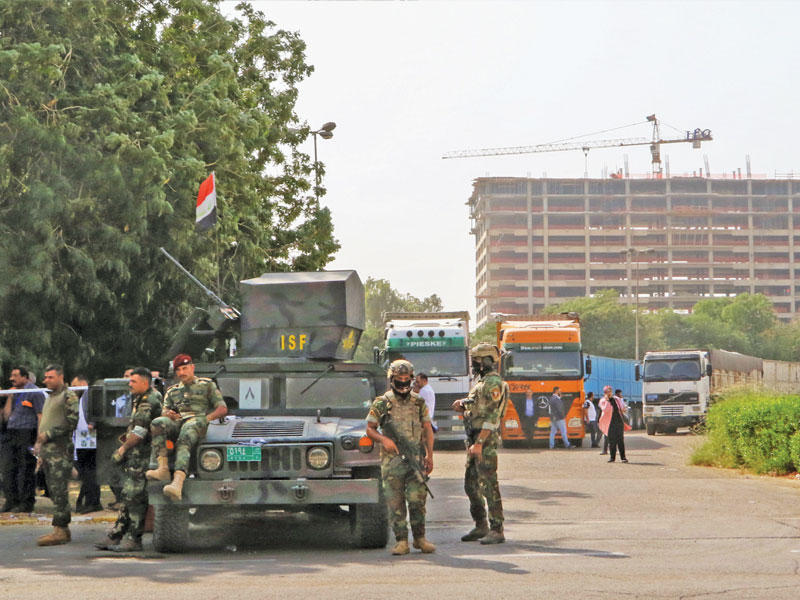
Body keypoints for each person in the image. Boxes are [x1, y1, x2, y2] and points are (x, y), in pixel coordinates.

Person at [366, 359, 435, 555]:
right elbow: (370, 429)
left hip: (415, 459)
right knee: (395, 503)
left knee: (417, 500)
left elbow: (427, 429)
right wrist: (384, 440)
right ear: (392, 379)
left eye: (407, 380)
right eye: (399, 379)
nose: (403, 384)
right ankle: (401, 541)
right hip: (392, 461)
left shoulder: (419, 402)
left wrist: (430, 456)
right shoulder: (382, 402)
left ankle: (420, 539)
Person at [96, 367, 162, 552]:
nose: (129, 384)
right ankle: (116, 535)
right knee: (128, 496)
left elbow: (140, 432)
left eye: (133, 381)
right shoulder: (140, 399)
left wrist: (123, 449)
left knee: (136, 498)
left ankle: (134, 539)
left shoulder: (149, 400)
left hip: (142, 457)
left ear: (145, 382)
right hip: (136, 457)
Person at [145, 354, 227, 500]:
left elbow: (222, 409)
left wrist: (206, 418)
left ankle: (178, 481)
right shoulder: (172, 390)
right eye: (179, 370)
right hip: (179, 421)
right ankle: (162, 468)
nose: (182, 373)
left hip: (199, 422)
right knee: (157, 423)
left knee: (186, 431)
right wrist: (168, 414)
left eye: (185, 368)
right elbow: (164, 410)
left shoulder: (207, 384)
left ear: (192, 367)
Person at [452, 343, 509, 545]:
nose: (474, 364)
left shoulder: (494, 384)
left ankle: (496, 528)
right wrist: (464, 405)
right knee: (471, 485)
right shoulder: (482, 382)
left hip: (485, 440)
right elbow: (477, 406)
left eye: (476, 360)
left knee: (488, 484)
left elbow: (492, 417)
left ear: (486, 361)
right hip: (475, 438)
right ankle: (481, 525)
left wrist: (480, 443)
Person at [34, 365, 79, 546]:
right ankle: (62, 530)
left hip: (60, 452)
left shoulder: (68, 396)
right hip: (48, 451)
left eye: (50, 377)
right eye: (45, 377)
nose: (46, 380)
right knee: (53, 490)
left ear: (61, 377)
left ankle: (60, 530)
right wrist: (40, 445)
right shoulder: (50, 397)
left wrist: (49, 435)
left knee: (59, 491)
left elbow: (72, 422)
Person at [1, 367, 45, 513]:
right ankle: (11, 501)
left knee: (25, 468)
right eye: (11, 375)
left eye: (15, 375)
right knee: (8, 468)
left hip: (27, 433)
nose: (11, 378)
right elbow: (7, 417)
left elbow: (40, 415)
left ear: (25, 377)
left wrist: (39, 439)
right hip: (11, 433)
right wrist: (10, 397)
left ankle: (26, 502)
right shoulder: (13, 392)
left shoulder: (34, 392)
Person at [71, 375, 102, 514]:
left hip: (88, 437)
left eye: (74, 385)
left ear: (82, 383)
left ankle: (92, 501)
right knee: (86, 471)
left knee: (89, 471)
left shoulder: (90, 394)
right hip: (82, 437)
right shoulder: (81, 397)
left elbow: (97, 410)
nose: (73, 389)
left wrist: (93, 424)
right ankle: (91, 500)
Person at [599, 385, 631, 463]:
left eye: (610, 391)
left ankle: (623, 457)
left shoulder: (617, 399)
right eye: (607, 391)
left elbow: (623, 408)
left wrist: (624, 407)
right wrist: (607, 400)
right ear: (605, 393)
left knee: (620, 440)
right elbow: (605, 410)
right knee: (612, 441)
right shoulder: (602, 401)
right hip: (609, 423)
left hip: (618, 422)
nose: (609, 393)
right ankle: (612, 457)